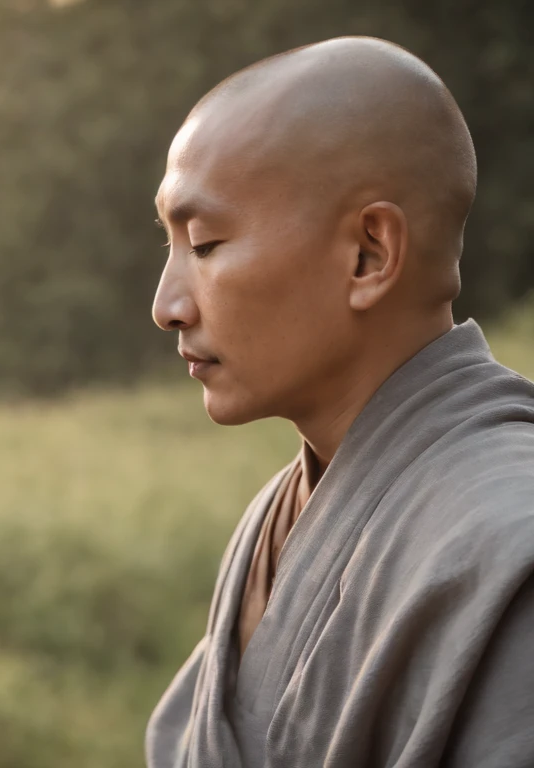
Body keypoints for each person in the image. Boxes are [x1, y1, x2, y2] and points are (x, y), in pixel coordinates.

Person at [147, 36, 534, 767]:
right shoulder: (278, 515)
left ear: (369, 255)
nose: (168, 305)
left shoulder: (510, 545)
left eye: (203, 244)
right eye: (167, 246)